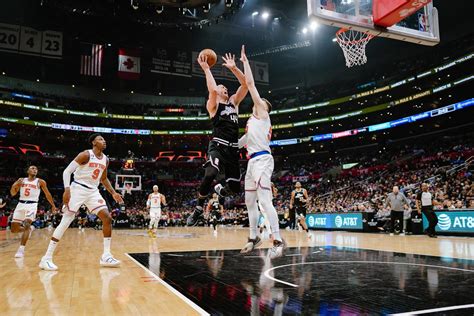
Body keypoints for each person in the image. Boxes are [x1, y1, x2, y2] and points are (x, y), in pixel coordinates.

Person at [39, 133, 124, 271]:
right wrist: (67, 189)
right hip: (77, 188)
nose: (104, 141)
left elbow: (103, 179)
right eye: (100, 139)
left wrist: (113, 192)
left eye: (104, 139)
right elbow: (67, 171)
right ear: (93, 143)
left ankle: (106, 255)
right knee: (66, 221)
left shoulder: (106, 160)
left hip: (93, 191)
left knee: (107, 218)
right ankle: (46, 258)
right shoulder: (85, 154)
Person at [186, 51, 248, 226]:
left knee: (236, 188)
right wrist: (206, 69)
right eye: (222, 88)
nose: (224, 89)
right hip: (218, 145)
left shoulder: (234, 103)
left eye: (226, 88)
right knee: (211, 173)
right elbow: (212, 89)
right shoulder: (212, 105)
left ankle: (220, 191)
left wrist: (235, 68)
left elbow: (245, 84)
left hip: (233, 149)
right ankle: (198, 209)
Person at [238, 45, 285, 259]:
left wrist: (245, 62)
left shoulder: (263, 114)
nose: (259, 102)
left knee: (265, 201)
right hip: (251, 162)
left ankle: (277, 240)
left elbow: (249, 83)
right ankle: (254, 236)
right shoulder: (252, 122)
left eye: (261, 102)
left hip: (263, 160)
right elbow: (242, 142)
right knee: (249, 202)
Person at [10, 165, 57, 258]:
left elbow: (47, 194)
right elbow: (12, 193)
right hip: (20, 204)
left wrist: (53, 205)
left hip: (32, 205)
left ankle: (21, 250)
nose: (35, 170)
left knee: (27, 224)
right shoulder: (21, 180)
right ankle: (29, 229)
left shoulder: (40, 181)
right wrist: (15, 184)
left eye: (36, 169)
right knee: (14, 230)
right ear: (28, 171)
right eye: (32, 168)